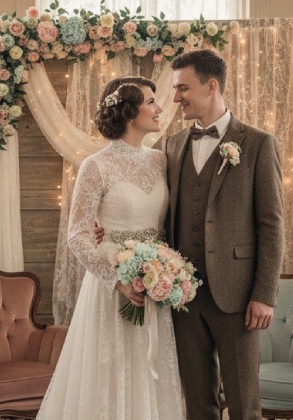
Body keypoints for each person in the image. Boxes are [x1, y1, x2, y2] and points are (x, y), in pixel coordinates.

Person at [36, 77, 184, 420]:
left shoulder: (162, 161)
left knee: (150, 374)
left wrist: (165, 272)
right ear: (130, 112)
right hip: (112, 289)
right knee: (110, 372)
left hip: (153, 286)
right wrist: (116, 280)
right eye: (151, 101)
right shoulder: (96, 166)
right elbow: (77, 234)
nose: (160, 107)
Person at [166, 49, 285, 420]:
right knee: (197, 402)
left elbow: (272, 224)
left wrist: (264, 295)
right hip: (183, 297)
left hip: (237, 297)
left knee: (244, 402)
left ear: (211, 86)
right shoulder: (172, 145)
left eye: (183, 88)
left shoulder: (257, 144)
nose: (175, 98)